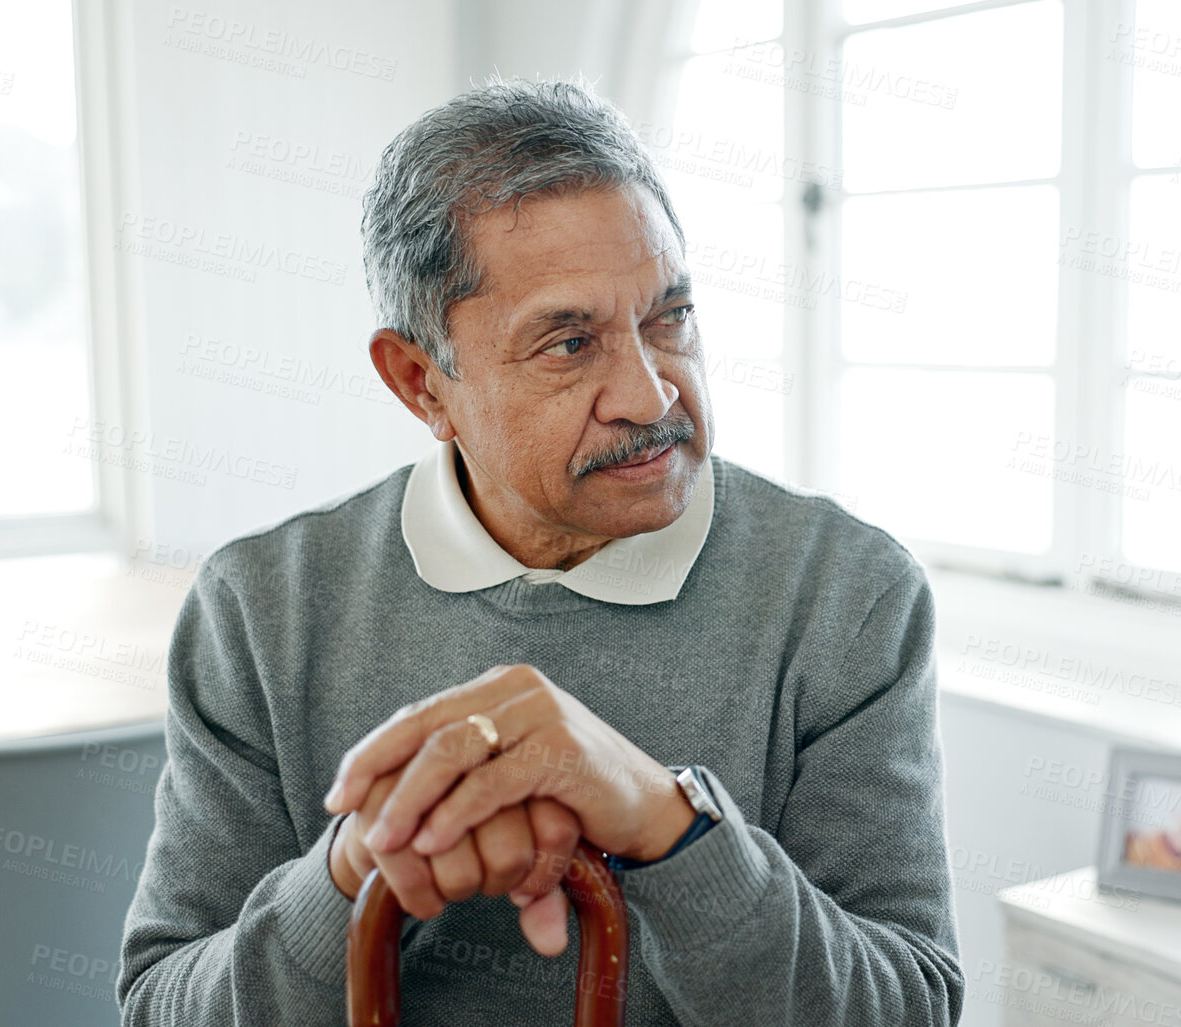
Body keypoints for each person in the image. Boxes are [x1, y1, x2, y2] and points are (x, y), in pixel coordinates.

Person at [115, 78, 962, 1026]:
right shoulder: (259, 606)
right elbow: (161, 1005)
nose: (650, 395)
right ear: (420, 383)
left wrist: (671, 827)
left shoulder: (847, 591)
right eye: (568, 343)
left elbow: (908, 1006)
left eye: (668, 316)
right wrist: (352, 874)